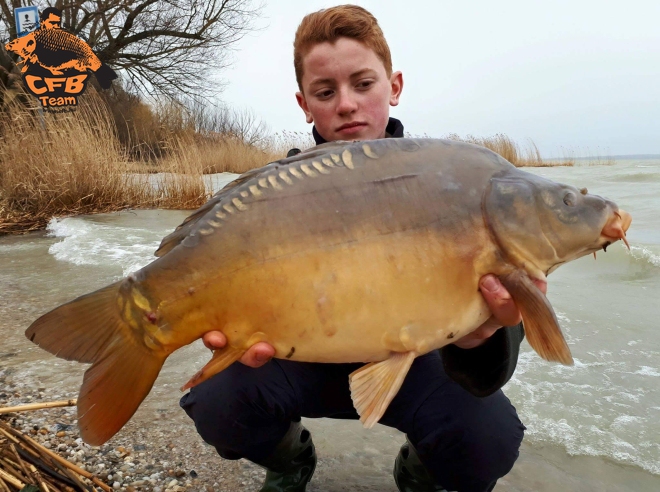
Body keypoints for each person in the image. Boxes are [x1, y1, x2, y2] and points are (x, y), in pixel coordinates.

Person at [181, 5, 543, 491]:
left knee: (486, 435)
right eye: (325, 92)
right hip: (299, 360)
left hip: (414, 365)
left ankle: (419, 473)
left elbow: (488, 374)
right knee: (217, 402)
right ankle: (290, 459)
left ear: (394, 86)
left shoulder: (451, 186)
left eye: (363, 84)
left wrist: (478, 339)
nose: (346, 104)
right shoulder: (269, 201)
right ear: (304, 103)